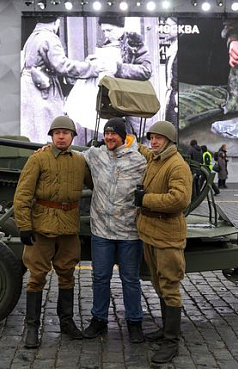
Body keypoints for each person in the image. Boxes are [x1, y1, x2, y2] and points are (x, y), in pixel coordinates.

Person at [13, 115, 92, 349]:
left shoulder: (79, 162)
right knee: (37, 277)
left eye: (65, 133)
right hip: (42, 226)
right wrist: (24, 226)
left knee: (67, 274)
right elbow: (23, 194)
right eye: (56, 132)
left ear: (72, 137)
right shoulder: (38, 159)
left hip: (68, 226)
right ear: (50, 136)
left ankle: (66, 322)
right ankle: (32, 327)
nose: (61, 136)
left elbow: (96, 183)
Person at [80, 118, 147, 343]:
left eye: (114, 134)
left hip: (129, 232)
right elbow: (70, 156)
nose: (109, 137)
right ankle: (98, 320)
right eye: (107, 134)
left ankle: (135, 323)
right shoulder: (96, 155)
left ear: (122, 135)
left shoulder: (139, 160)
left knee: (130, 279)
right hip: (101, 232)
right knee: (100, 278)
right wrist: (46, 148)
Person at [134, 121, 192, 364]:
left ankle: (171, 341)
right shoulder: (156, 158)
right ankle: (168, 329)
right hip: (150, 232)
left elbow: (179, 200)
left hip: (167, 234)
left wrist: (146, 199)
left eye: (159, 138)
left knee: (169, 286)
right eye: (152, 137)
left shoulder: (177, 165)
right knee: (159, 283)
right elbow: (145, 151)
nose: (154, 142)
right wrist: (129, 142)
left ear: (169, 140)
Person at [21, 16, 103, 144]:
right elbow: (62, 65)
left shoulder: (33, 37)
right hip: (43, 92)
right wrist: (90, 68)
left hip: (29, 88)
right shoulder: (50, 37)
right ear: (57, 22)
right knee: (47, 130)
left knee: (33, 132)